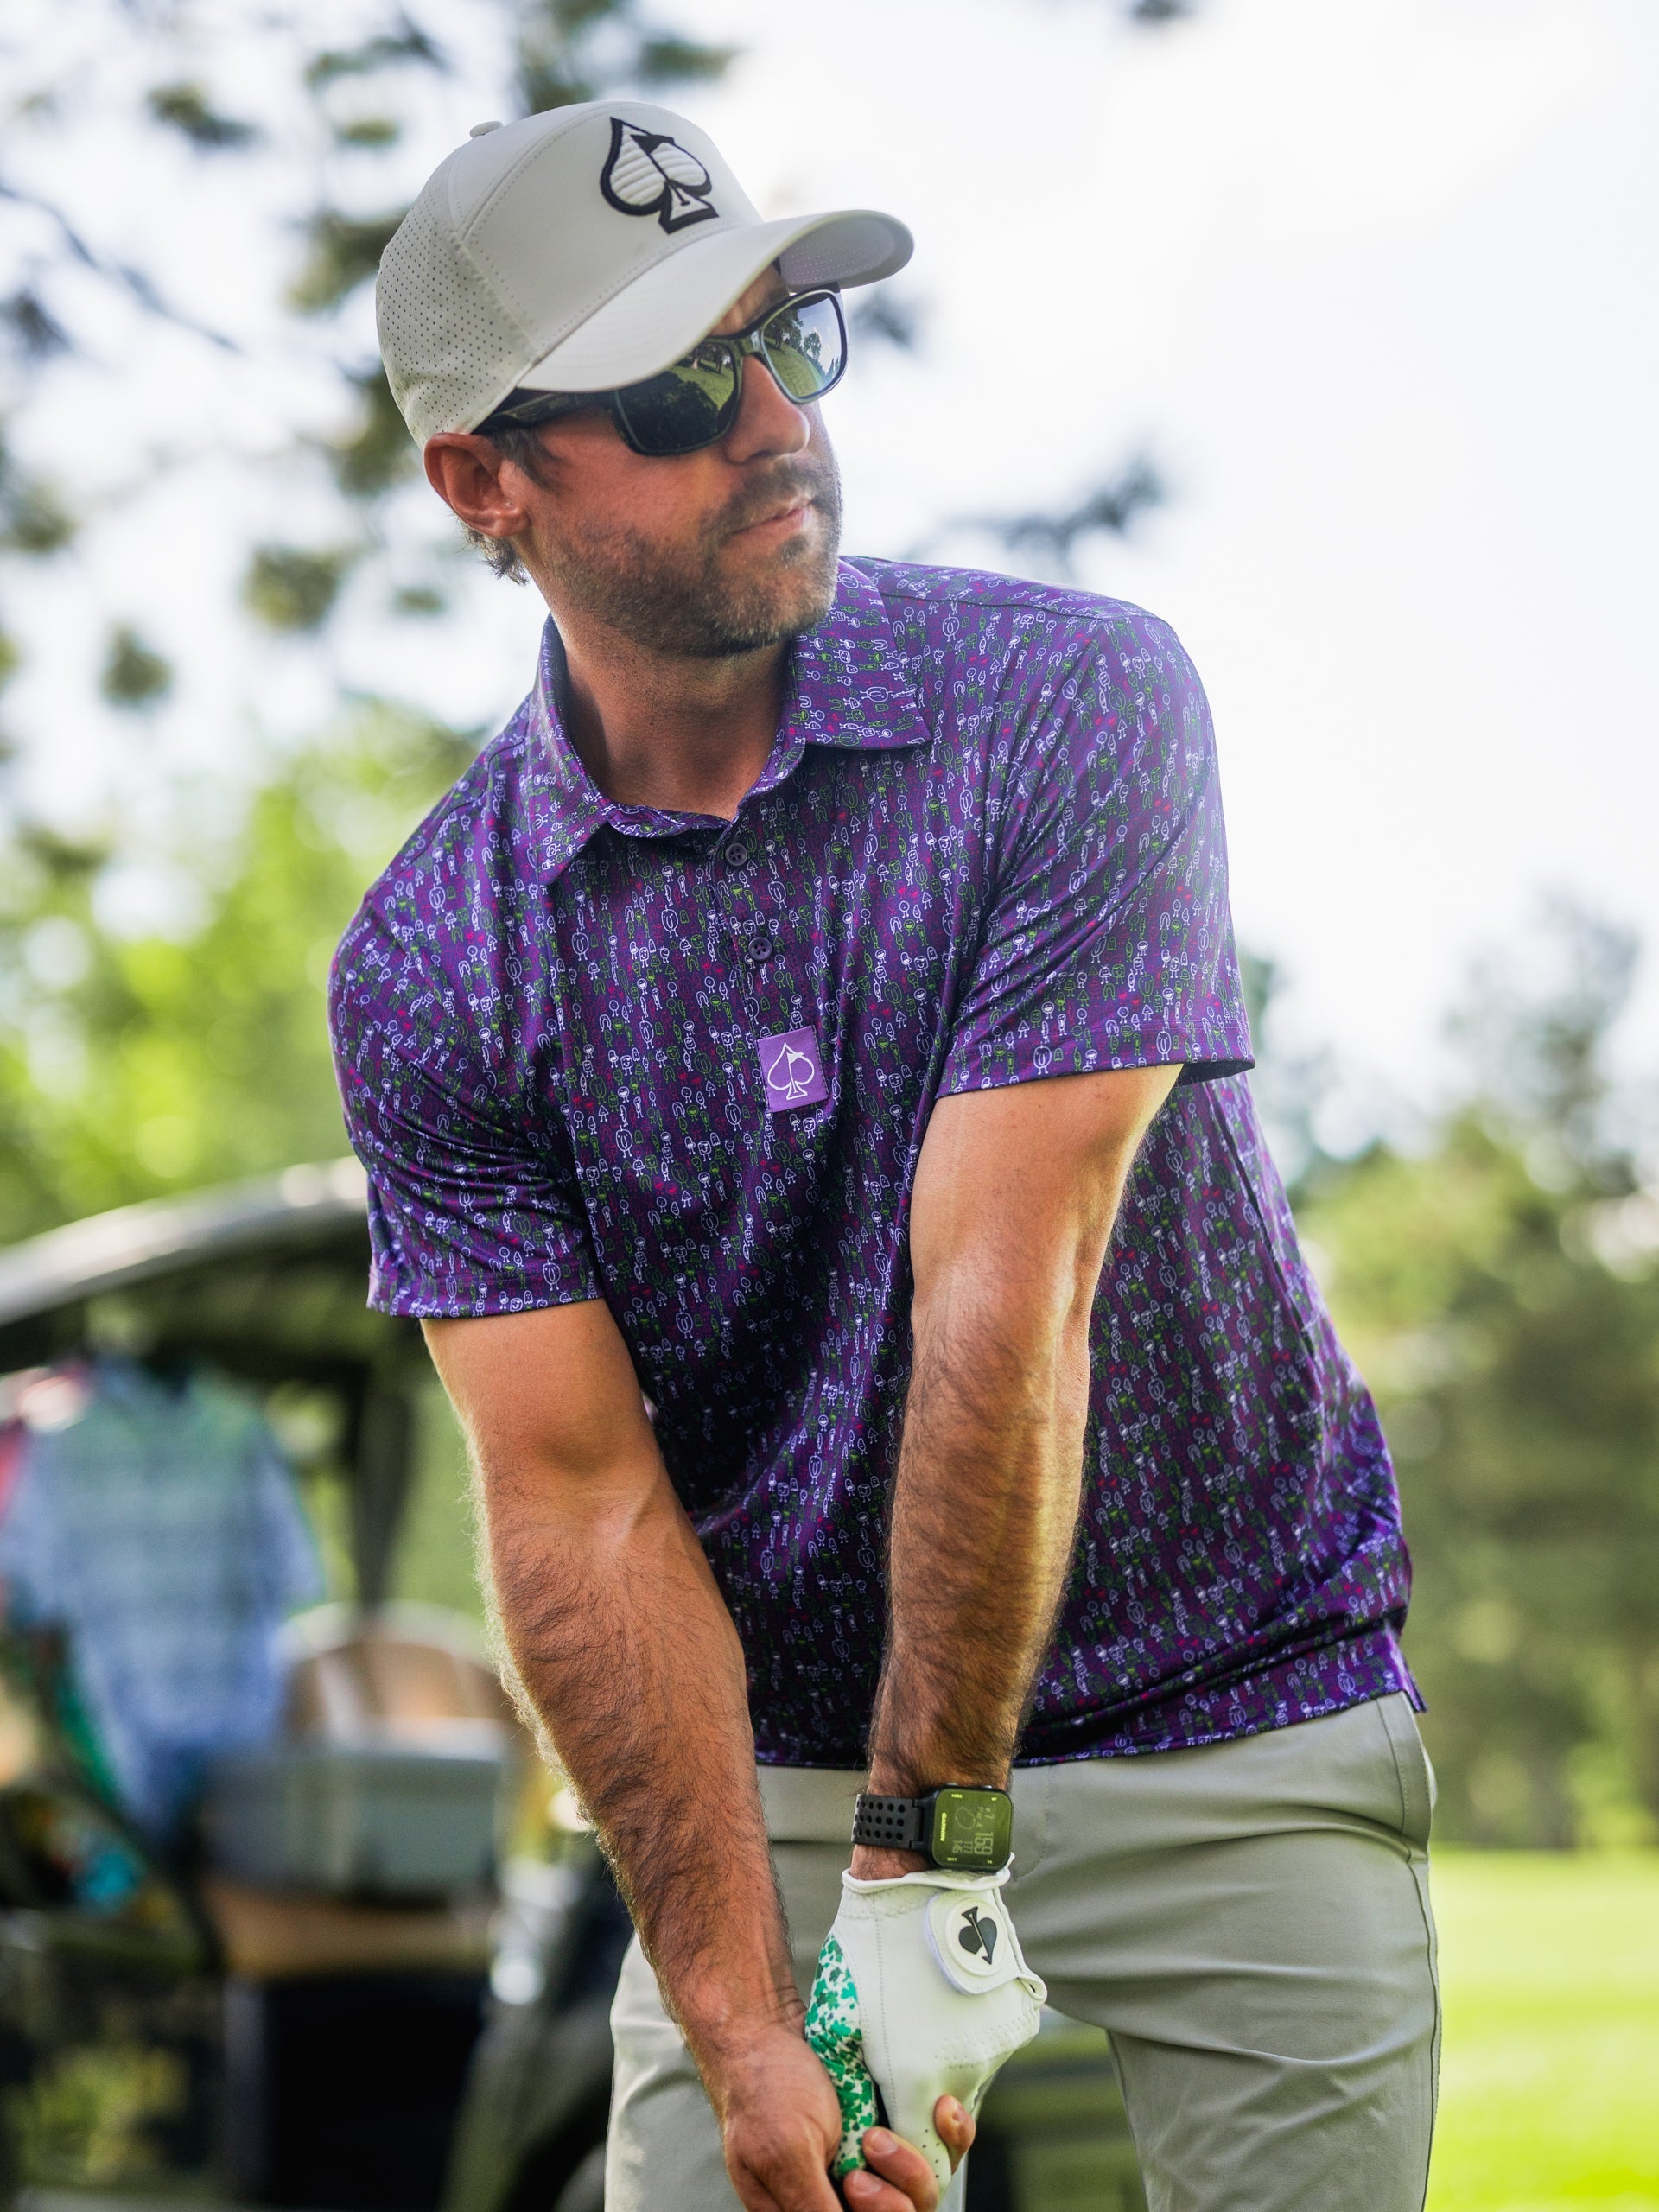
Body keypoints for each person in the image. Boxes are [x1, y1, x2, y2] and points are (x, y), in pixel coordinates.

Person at [330, 99, 1439, 2212]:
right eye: (674, 387)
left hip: (1236, 1707)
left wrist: (931, 1883)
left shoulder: (1074, 703)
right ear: (483, 479)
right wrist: (748, 2015)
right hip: (783, 1764)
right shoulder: (433, 961)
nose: (770, 422)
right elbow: (574, 1502)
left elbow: (1003, 1303)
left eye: (783, 338)